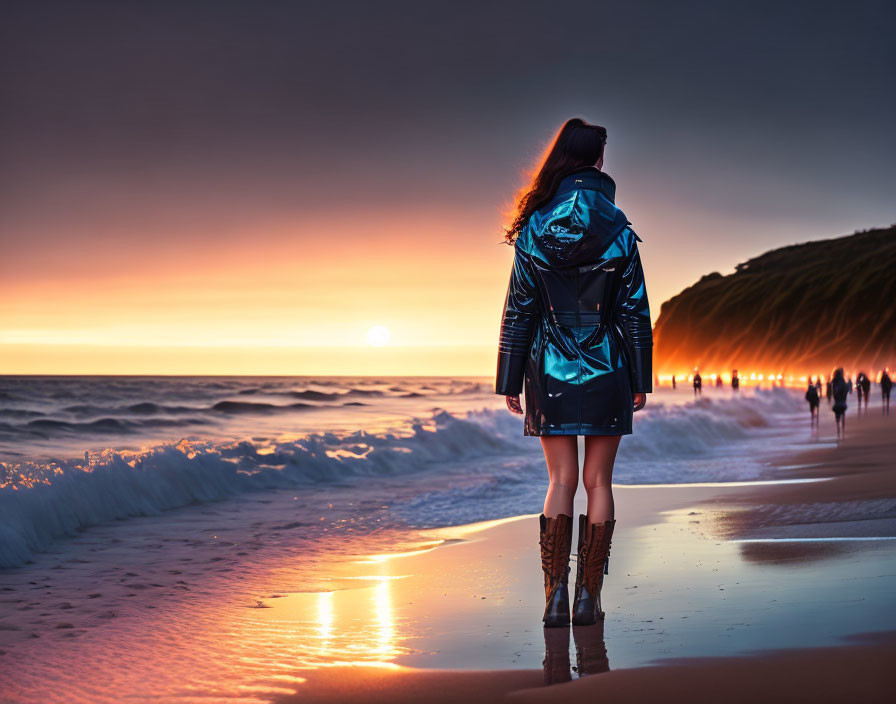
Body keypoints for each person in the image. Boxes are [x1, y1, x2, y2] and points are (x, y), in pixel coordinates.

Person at [495, 118, 652, 628]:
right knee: (598, 481)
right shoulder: (621, 230)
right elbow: (634, 312)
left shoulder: (536, 228)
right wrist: (640, 377)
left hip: (549, 367)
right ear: (599, 161)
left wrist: (509, 377)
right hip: (609, 366)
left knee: (560, 480)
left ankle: (555, 598)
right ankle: (588, 599)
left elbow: (520, 309)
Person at [831, 367, 851, 439]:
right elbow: (846, 390)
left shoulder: (834, 381)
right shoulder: (842, 381)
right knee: (842, 414)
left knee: (837, 416)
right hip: (842, 402)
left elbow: (834, 393)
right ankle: (842, 430)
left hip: (836, 403)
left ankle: (838, 430)